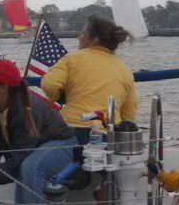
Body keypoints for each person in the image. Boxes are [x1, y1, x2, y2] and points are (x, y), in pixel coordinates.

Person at [0, 59, 77, 205]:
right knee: (27, 164)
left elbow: (22, 154)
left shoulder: (26, 109)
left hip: (63, 144)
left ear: (3, 87)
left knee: (30, 167)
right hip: (33, 148)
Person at [41, 15, 137, 146]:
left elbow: (49, 85)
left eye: (83, 33)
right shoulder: (124, 69)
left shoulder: (71, 59)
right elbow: (129, 114)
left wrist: (58, 97)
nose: (79, 37)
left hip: (72, 130)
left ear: (95, 40)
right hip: (109, 135)